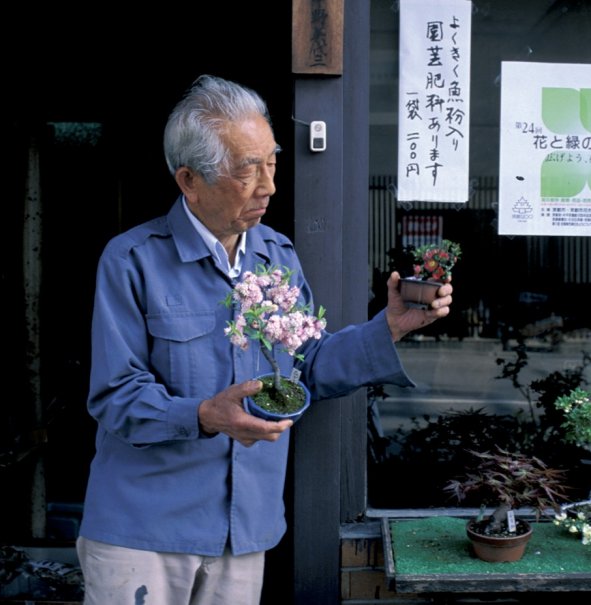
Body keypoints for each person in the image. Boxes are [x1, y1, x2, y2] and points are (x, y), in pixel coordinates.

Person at [76, 74, 453, 604]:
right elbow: (115, 395)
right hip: (144, 530)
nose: (268, 185)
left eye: (271, 162)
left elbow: (309, 364)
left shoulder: (276, 255)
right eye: (246, 170)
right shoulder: (133, 260)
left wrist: (390, 326)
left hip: (244, 530)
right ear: (189, 180)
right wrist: (205, 415)